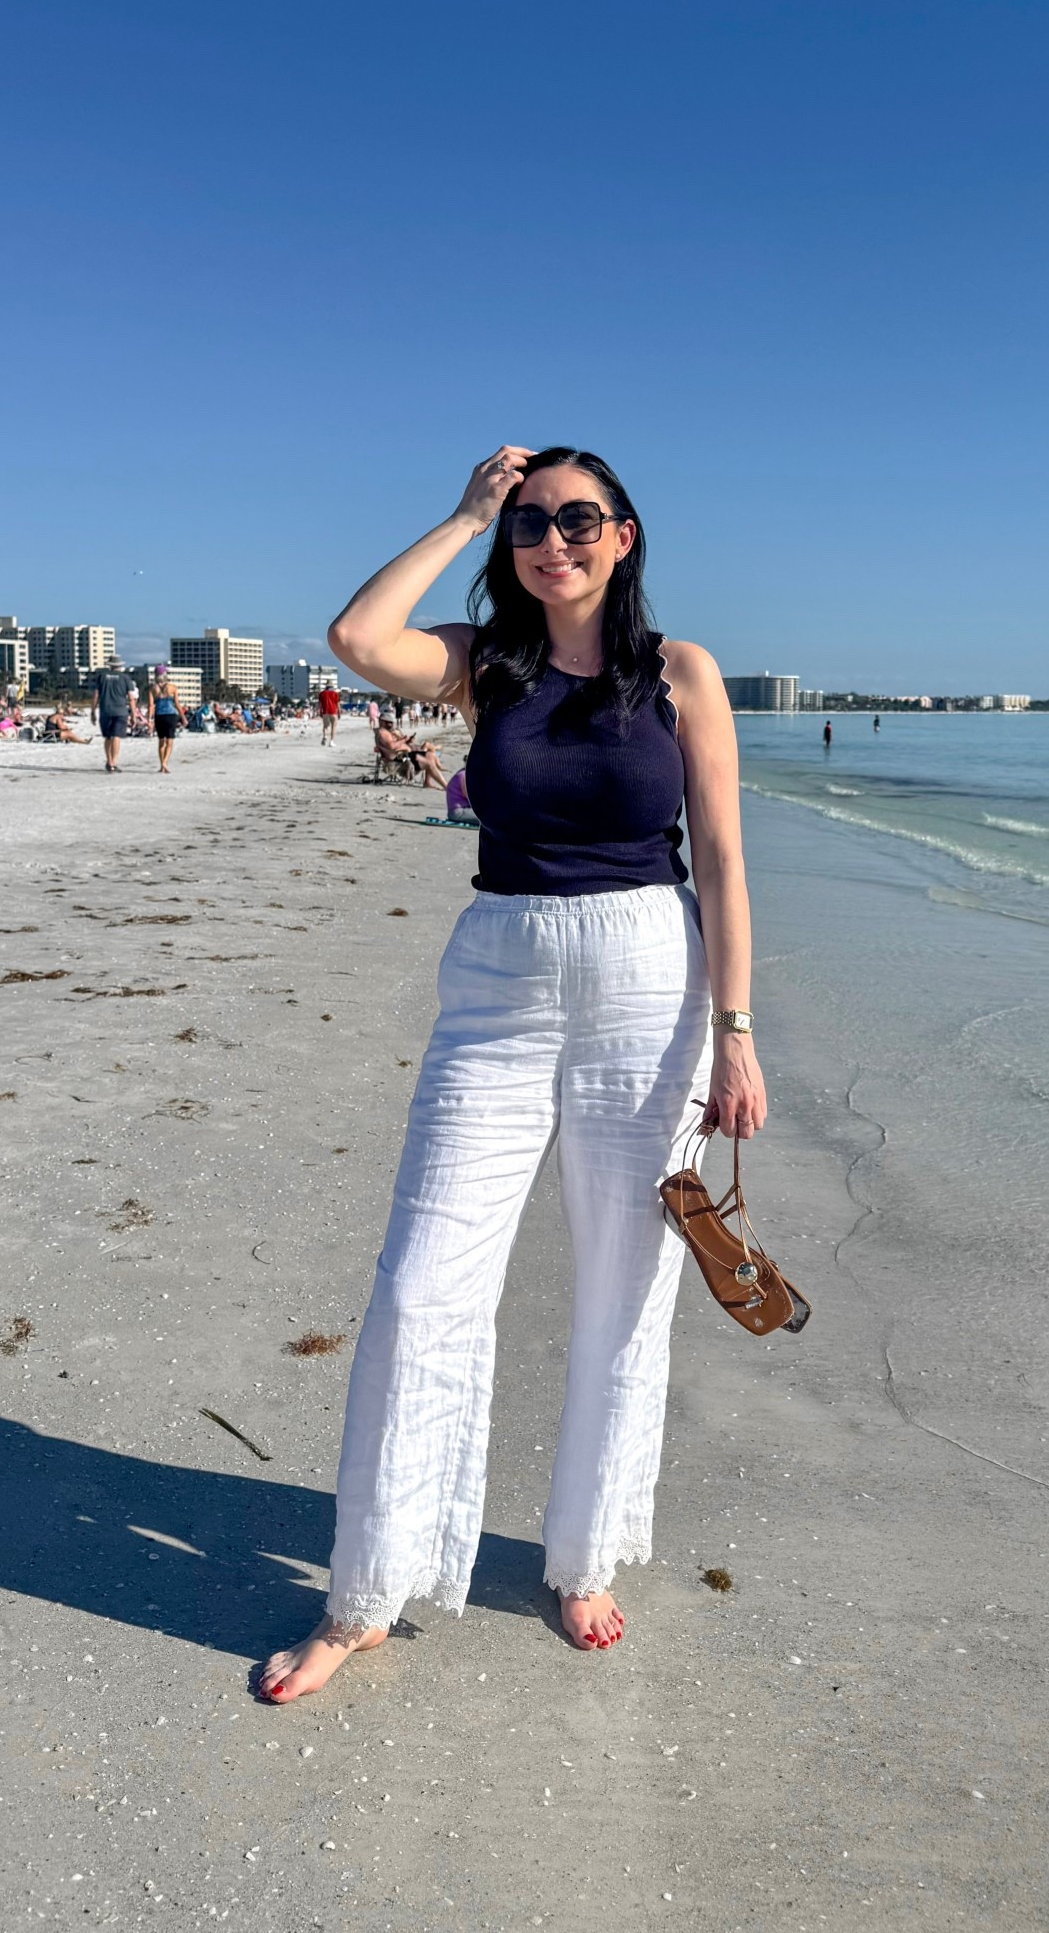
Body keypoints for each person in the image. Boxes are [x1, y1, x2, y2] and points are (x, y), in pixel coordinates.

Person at [259, 444, 765, 1703]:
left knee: (622, 1284)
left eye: (579, 517)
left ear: (626, 533)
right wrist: (461, 510)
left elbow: (721, 856)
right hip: (494, 983)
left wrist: (738, 1028)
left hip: (650, 983)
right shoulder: (490, 664)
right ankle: (364, 1591)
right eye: (532, 521)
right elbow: (356, 635)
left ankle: (583, 1555)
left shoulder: (682, 674)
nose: (555, 537)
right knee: (422, 1282)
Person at [91, 657, 138, 772]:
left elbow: (96, 695)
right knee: (116, 736)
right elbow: (131, 698)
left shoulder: (101, 677)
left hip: (105, 709)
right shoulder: (126, 678)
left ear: (110, 665)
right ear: (120, 666)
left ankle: (109, 760)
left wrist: (93, 711)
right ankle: (114, 762)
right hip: (120, 710)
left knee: (107, 736)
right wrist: (133, 714)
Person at [148, 666, 183, 774]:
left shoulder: (152, 689)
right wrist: (183, 717)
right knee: (170, 741)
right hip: (171, 715)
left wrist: (150, 719)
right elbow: (176, 704)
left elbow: (151, 705)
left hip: (159, 716)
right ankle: (165, 762)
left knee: (161, 741)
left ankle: (162, 764)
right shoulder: (173, 687)